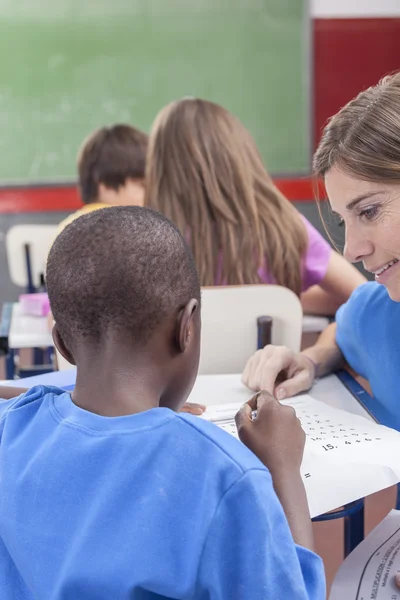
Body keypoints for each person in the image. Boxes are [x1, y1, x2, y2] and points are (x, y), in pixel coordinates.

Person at [0, 206, 325, 600]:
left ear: (63, 344)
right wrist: (282, 469)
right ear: (186, 326)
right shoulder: (226, 477)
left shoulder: (10, 428)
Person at [242, 72, 400, 415]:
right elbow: (344, 334)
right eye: (344, 221)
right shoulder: (377, 310)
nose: (351, 250)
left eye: (370, 211)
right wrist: (311, 360)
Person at [145, 98, 365, 316]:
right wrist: (275, 299)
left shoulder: (149, 243)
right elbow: (362, 296)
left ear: (160, 168)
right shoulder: (282, 226)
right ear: (239, 156)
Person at [55, 124, 148, 237]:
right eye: (142, 185)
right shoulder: (121, 230)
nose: (149, 194)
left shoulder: (66, 229)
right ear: (106, 183)